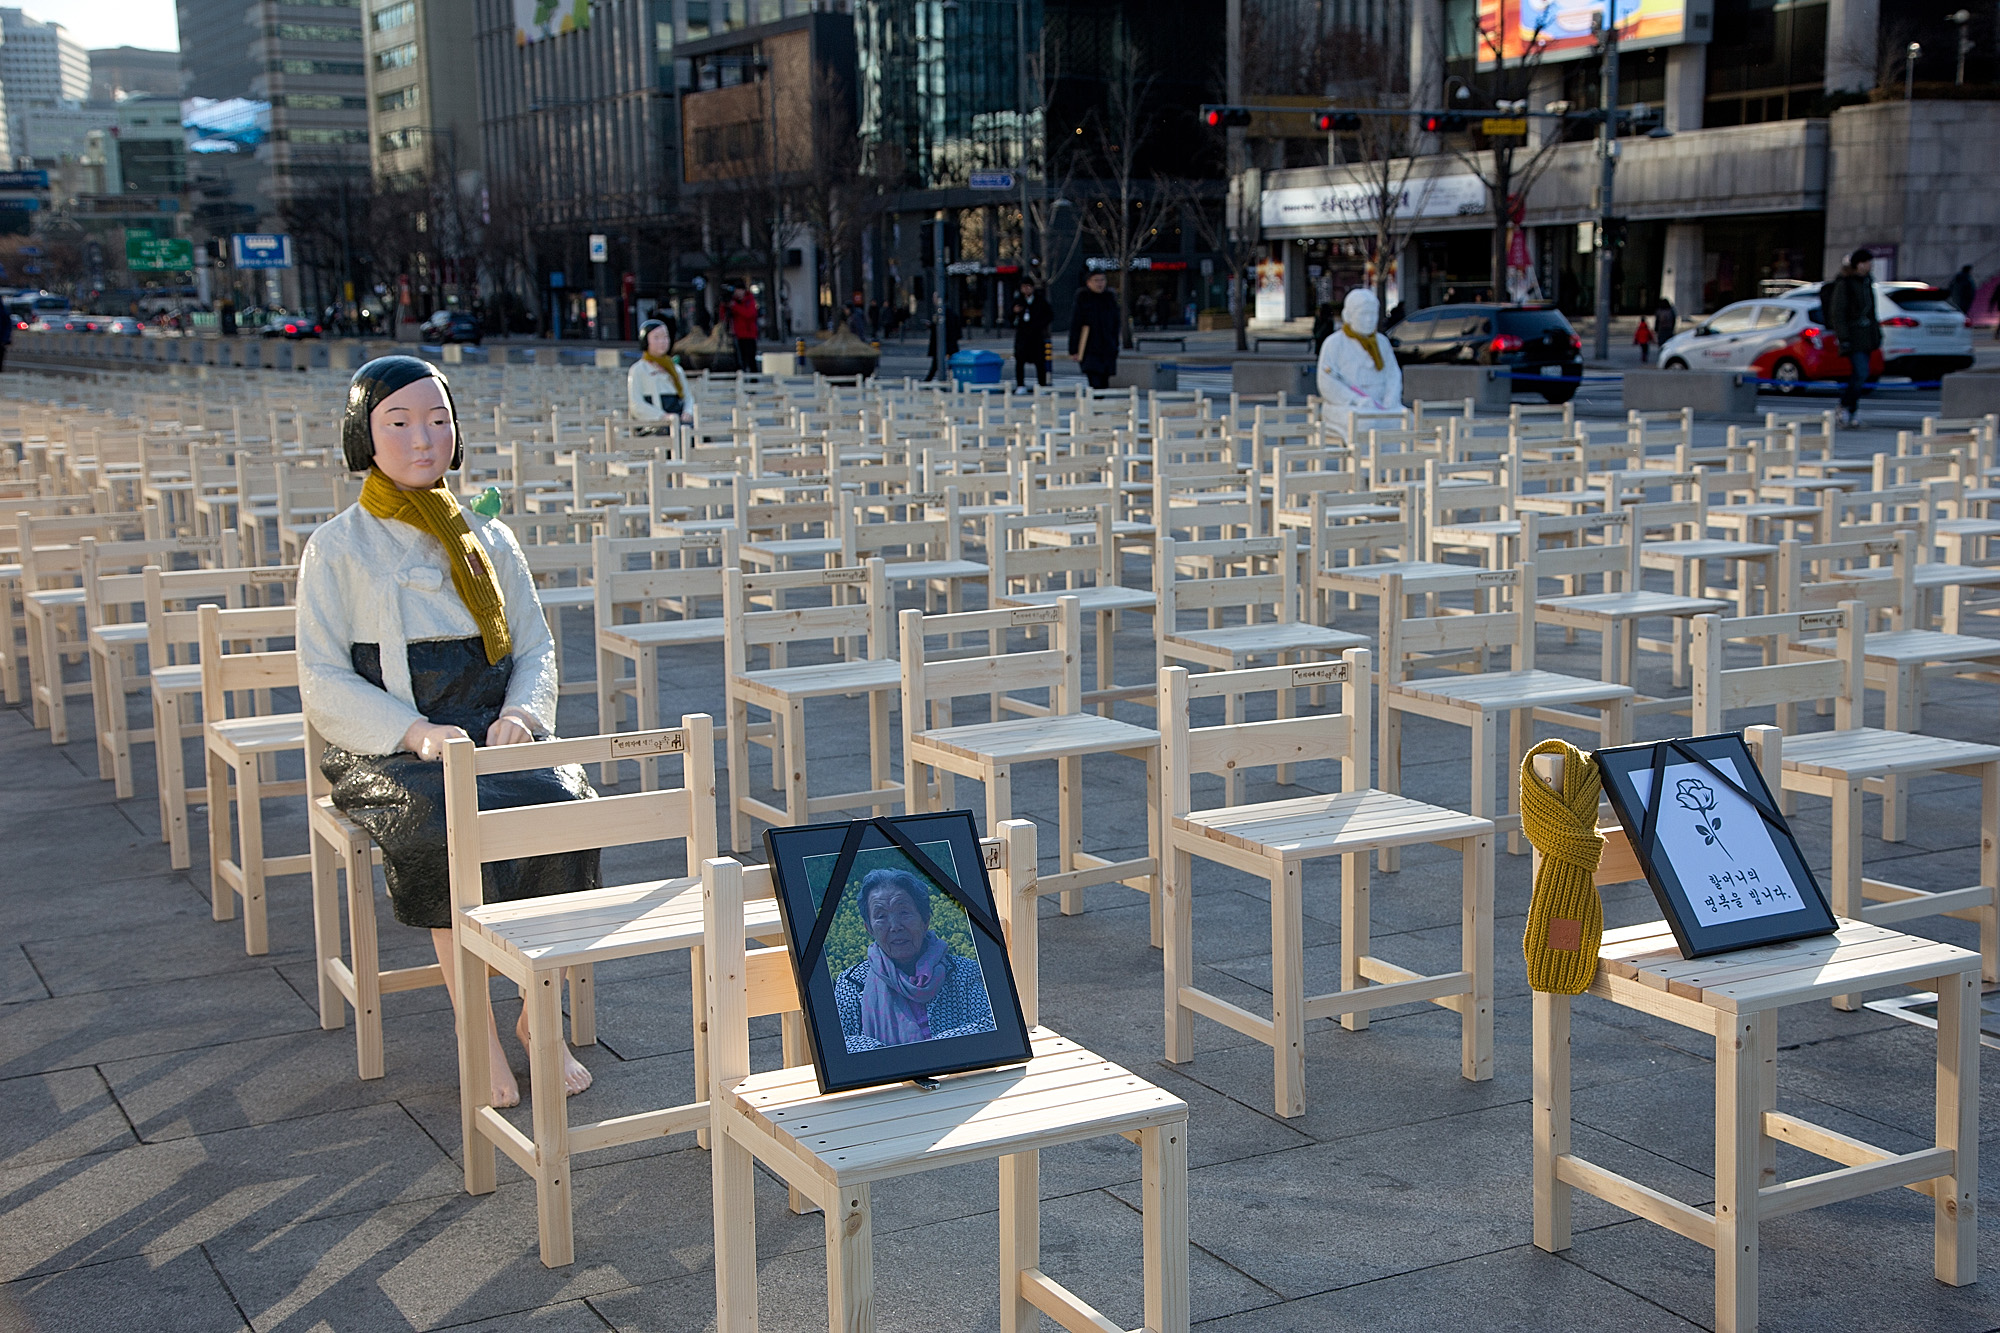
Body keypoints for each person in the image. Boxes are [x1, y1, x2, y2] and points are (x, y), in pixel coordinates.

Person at [298, 356, 601, 1109]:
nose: (422, 438)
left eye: (437, 419)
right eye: (398, 422)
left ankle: (539, 1010)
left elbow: (534, 646)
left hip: (490, 727)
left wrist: (522, 715)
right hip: (390, 744)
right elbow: (323, 678)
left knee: (567, 802)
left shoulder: (488, 536)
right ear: (364, 435)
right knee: (441, 824)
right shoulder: (337, 546)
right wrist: (412, 732)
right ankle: (480, 1028)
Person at [832, 868, 996, 1052]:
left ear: (925, 919)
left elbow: (990, 1024)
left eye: (904, 912)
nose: (895, 926)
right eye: (881, 916)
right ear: (869, 928)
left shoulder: (963, 972)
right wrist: (890, 1058)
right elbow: (838, 1044)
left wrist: (932, 1051)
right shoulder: (851, 984)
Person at [1316, 287, 1402, 413]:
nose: (1369, 319)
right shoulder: (1334, 343)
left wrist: (1391, 399)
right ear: (1348, 316)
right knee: (1365, 422)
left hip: (1381, 404)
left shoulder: (1382, 342)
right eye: (1363, 314)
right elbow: (1326, 381)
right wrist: (1355, 399)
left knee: (1407, 419)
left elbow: (1393, 374)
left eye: (1373, 314)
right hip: (1348, 406)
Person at [1824, 248, 1881, 428]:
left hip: (1866, 336)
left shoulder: (1867, 283)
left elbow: (1872, 312)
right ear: (1859, 264)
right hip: (1854, 335)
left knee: (1860, 375)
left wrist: (1876, 334)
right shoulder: (1846, 284)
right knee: (1861, 373)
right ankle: (1845, 407)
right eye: (1867, 262)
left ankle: (1851, 411)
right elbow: (1838, 313)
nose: (1870, 266)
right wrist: (1844, 337)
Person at [627, 318, 689, 436]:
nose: (662, 341)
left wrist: (687, 411)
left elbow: (687, 396)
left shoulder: (676, 369)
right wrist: (661, 416)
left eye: (665, 337)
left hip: (678, 421)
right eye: (656, 338)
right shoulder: (638, 370)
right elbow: (636, 404)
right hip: (652, 424)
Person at [1068, 270, 1121, 390]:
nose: (1100, 284)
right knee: (1094, 381)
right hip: (1089, 347)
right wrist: (1074, 349)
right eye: (1096, 280)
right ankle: (1095, 406)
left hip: (1107, 346)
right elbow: (1075, 325)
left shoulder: (1109, 299)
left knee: (1104, 383)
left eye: (1102, 280)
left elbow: (1115, 325)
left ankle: (1100, 406)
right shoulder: (1083, 299)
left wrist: (1115, 345)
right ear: (1088, 282)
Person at [1010, 276, 1054, 390]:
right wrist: (1015, 312)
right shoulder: (1017, 300)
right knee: (1020, 361)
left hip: (1037, 335)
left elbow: (1049, 315)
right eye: (1024, 287)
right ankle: (1020, 385)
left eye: (1028, 287)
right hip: (1022, 336)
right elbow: (1009, 317)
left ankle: (1042, 385)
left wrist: (1040, 324)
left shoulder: (1040, 299)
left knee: (1040, 362)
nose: (1026, 289)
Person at [725, 284, 760, 372]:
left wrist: (735, 306)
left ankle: (753, 378)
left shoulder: (749, 301)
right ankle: (741, 375)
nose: (738, 293)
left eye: (739, 290)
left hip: (749, 334)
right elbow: (724, 316)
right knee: (740, 359)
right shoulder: (734, 301)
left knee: (750, 358)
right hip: (738, 334)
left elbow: (749, 314)